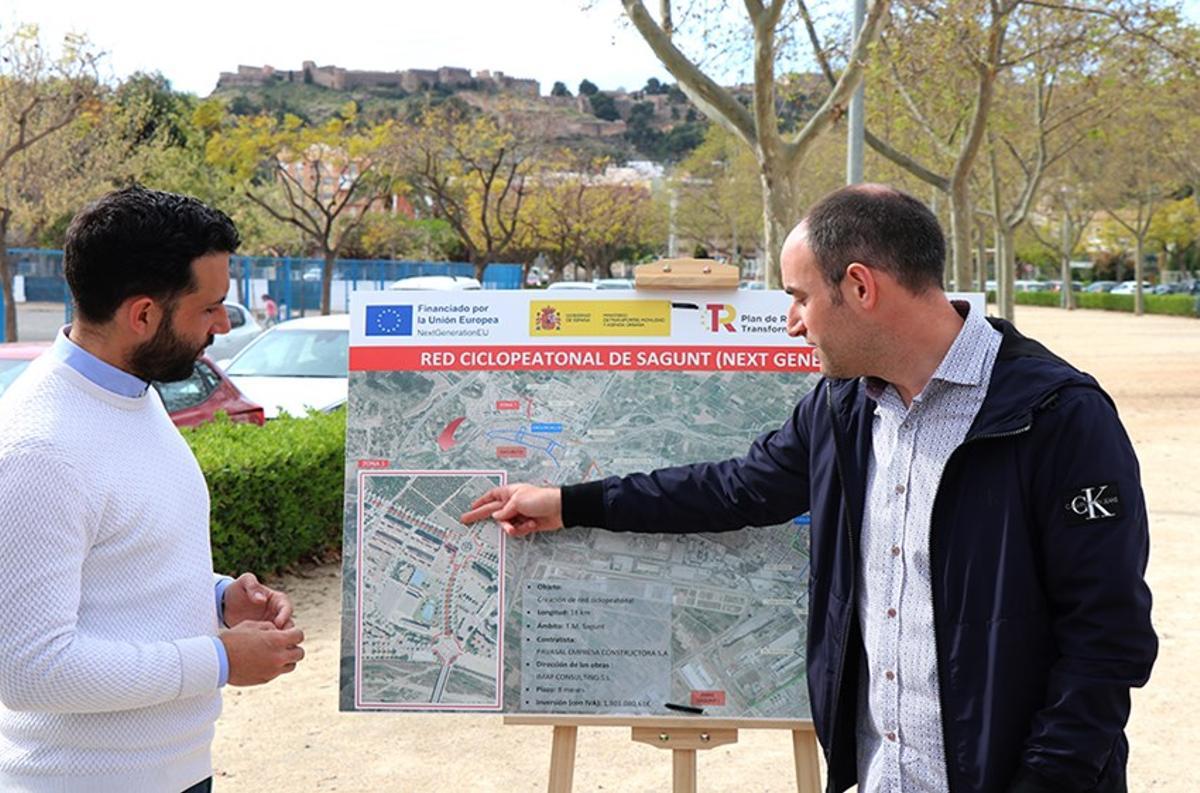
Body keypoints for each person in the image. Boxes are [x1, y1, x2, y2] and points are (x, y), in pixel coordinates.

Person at [463, 184, 1156, 793]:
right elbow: (734, 488)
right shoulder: (841, 409)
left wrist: (1044, 782)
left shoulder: (1057, 416)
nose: (792, 321)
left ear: (859, 286)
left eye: (798, 297)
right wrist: (570, 502)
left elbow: (1106, 640)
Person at [0, 186, 305, 793]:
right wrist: (220, 659)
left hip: (173, 770)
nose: (223, 323)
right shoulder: (40, 450)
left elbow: (118, 568)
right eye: (210, 307)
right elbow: (30, 670)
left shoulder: (133, 393)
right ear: (142, 315)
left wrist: (218, 597)